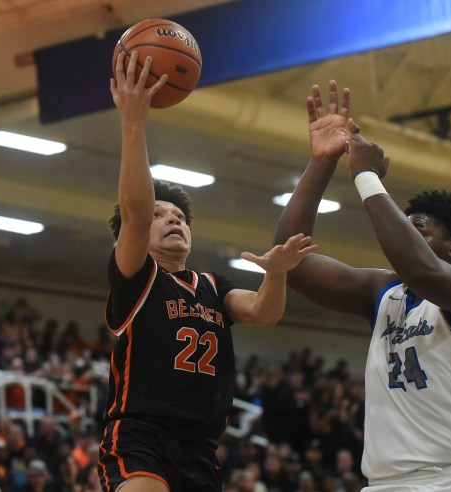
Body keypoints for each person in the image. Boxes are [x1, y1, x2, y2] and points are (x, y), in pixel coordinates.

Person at [273, 80, 451, 491]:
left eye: (418, 229)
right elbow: (290, 262)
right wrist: (321, 163)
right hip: (388, 482)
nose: (403, 234)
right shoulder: (382, 290)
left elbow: (425, 272)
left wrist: (367, 177)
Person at [97, 51, 317, 492]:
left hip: (200, 446)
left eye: (179, 216)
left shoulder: (213, 286)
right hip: (141, 436)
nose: (173, 219)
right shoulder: (137, 275)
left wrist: (276, 273)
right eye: (161, 214)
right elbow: (135, 217)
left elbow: (263, 312)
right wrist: (133, 123)